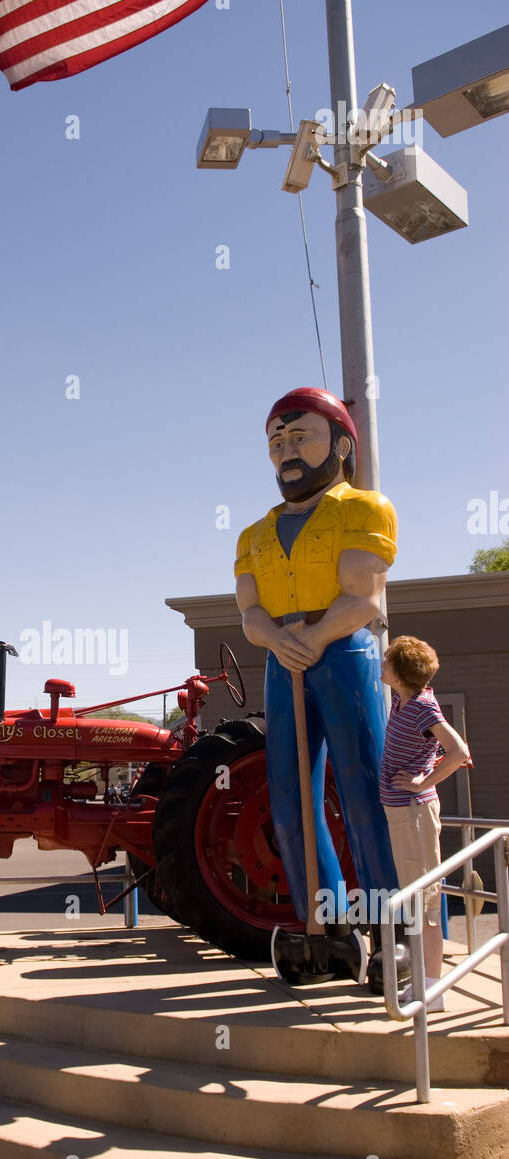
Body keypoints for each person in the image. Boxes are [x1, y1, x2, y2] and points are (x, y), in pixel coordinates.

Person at [235, 387, 398, 968]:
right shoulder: (254, 534)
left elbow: (364, 599)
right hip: (284, 660)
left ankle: (390, 931)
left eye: (300, 435)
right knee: (289, 798)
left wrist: (314, 637)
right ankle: (322, 923)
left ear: (341, 443)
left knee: (364, 791)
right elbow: (251, 613)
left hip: (343, 653)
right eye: (277, 441)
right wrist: (279, 640)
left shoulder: (363, 508)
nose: (287, 451)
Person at [379, 635, 471, 1011]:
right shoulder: (402, 702)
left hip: (414, 812)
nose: (382, 666)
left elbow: (459, 751)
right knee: (414, 900)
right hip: (402, 813)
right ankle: (424, 981)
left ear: (400, 673)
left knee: (425, 902)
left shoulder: (422, 707)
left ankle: (433, 989)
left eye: (387, 662)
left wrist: (422, 781)